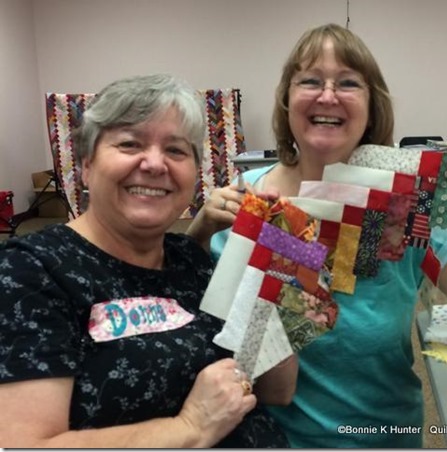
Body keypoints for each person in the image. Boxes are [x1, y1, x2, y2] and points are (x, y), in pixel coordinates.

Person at [188, 24, 447, 448]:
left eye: (348, 83)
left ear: (373, 107)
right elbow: (192, 337)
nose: (327, 95)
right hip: (269, 439)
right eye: (310, 81)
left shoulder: (406, 206)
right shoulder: (246, 202)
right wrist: (198, 235)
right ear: (287, 100)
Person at [0, 73, 297, 448]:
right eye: (129, 144)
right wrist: (191, 427)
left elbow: (277, 388)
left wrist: (265, 268)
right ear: (87, 165)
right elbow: (23, 445)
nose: (155, 164)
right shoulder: (30, 271)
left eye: (176, 150)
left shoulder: (191, 258)